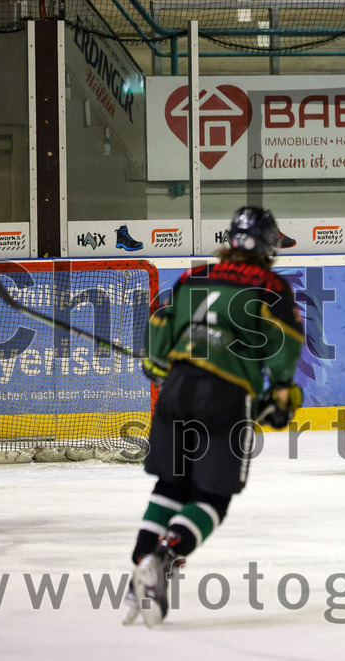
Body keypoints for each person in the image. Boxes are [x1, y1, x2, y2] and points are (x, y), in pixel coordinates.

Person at [125, 206, 304, 627]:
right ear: (266, 246)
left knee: (171, 484)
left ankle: (139, 571)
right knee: (213, 498)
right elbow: (283, 341)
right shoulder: (270, 284)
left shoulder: (195, 276)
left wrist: (157, 363)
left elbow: (161, 323)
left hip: (177, 388)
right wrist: (281, 391)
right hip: (223, 395)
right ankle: (164, 557)